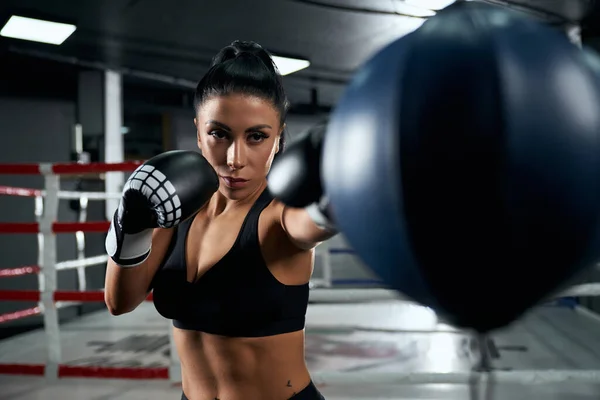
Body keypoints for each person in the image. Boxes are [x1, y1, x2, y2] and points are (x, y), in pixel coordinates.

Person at [104, 40, 337, 400]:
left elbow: (312, 224)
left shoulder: (280, 216)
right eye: (219, 133)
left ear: (277, 140)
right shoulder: (176, 209)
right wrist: (131, 225)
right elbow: (119, 302)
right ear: (199, 131)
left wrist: (338, 192)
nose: (234, 158)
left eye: (257, 137)